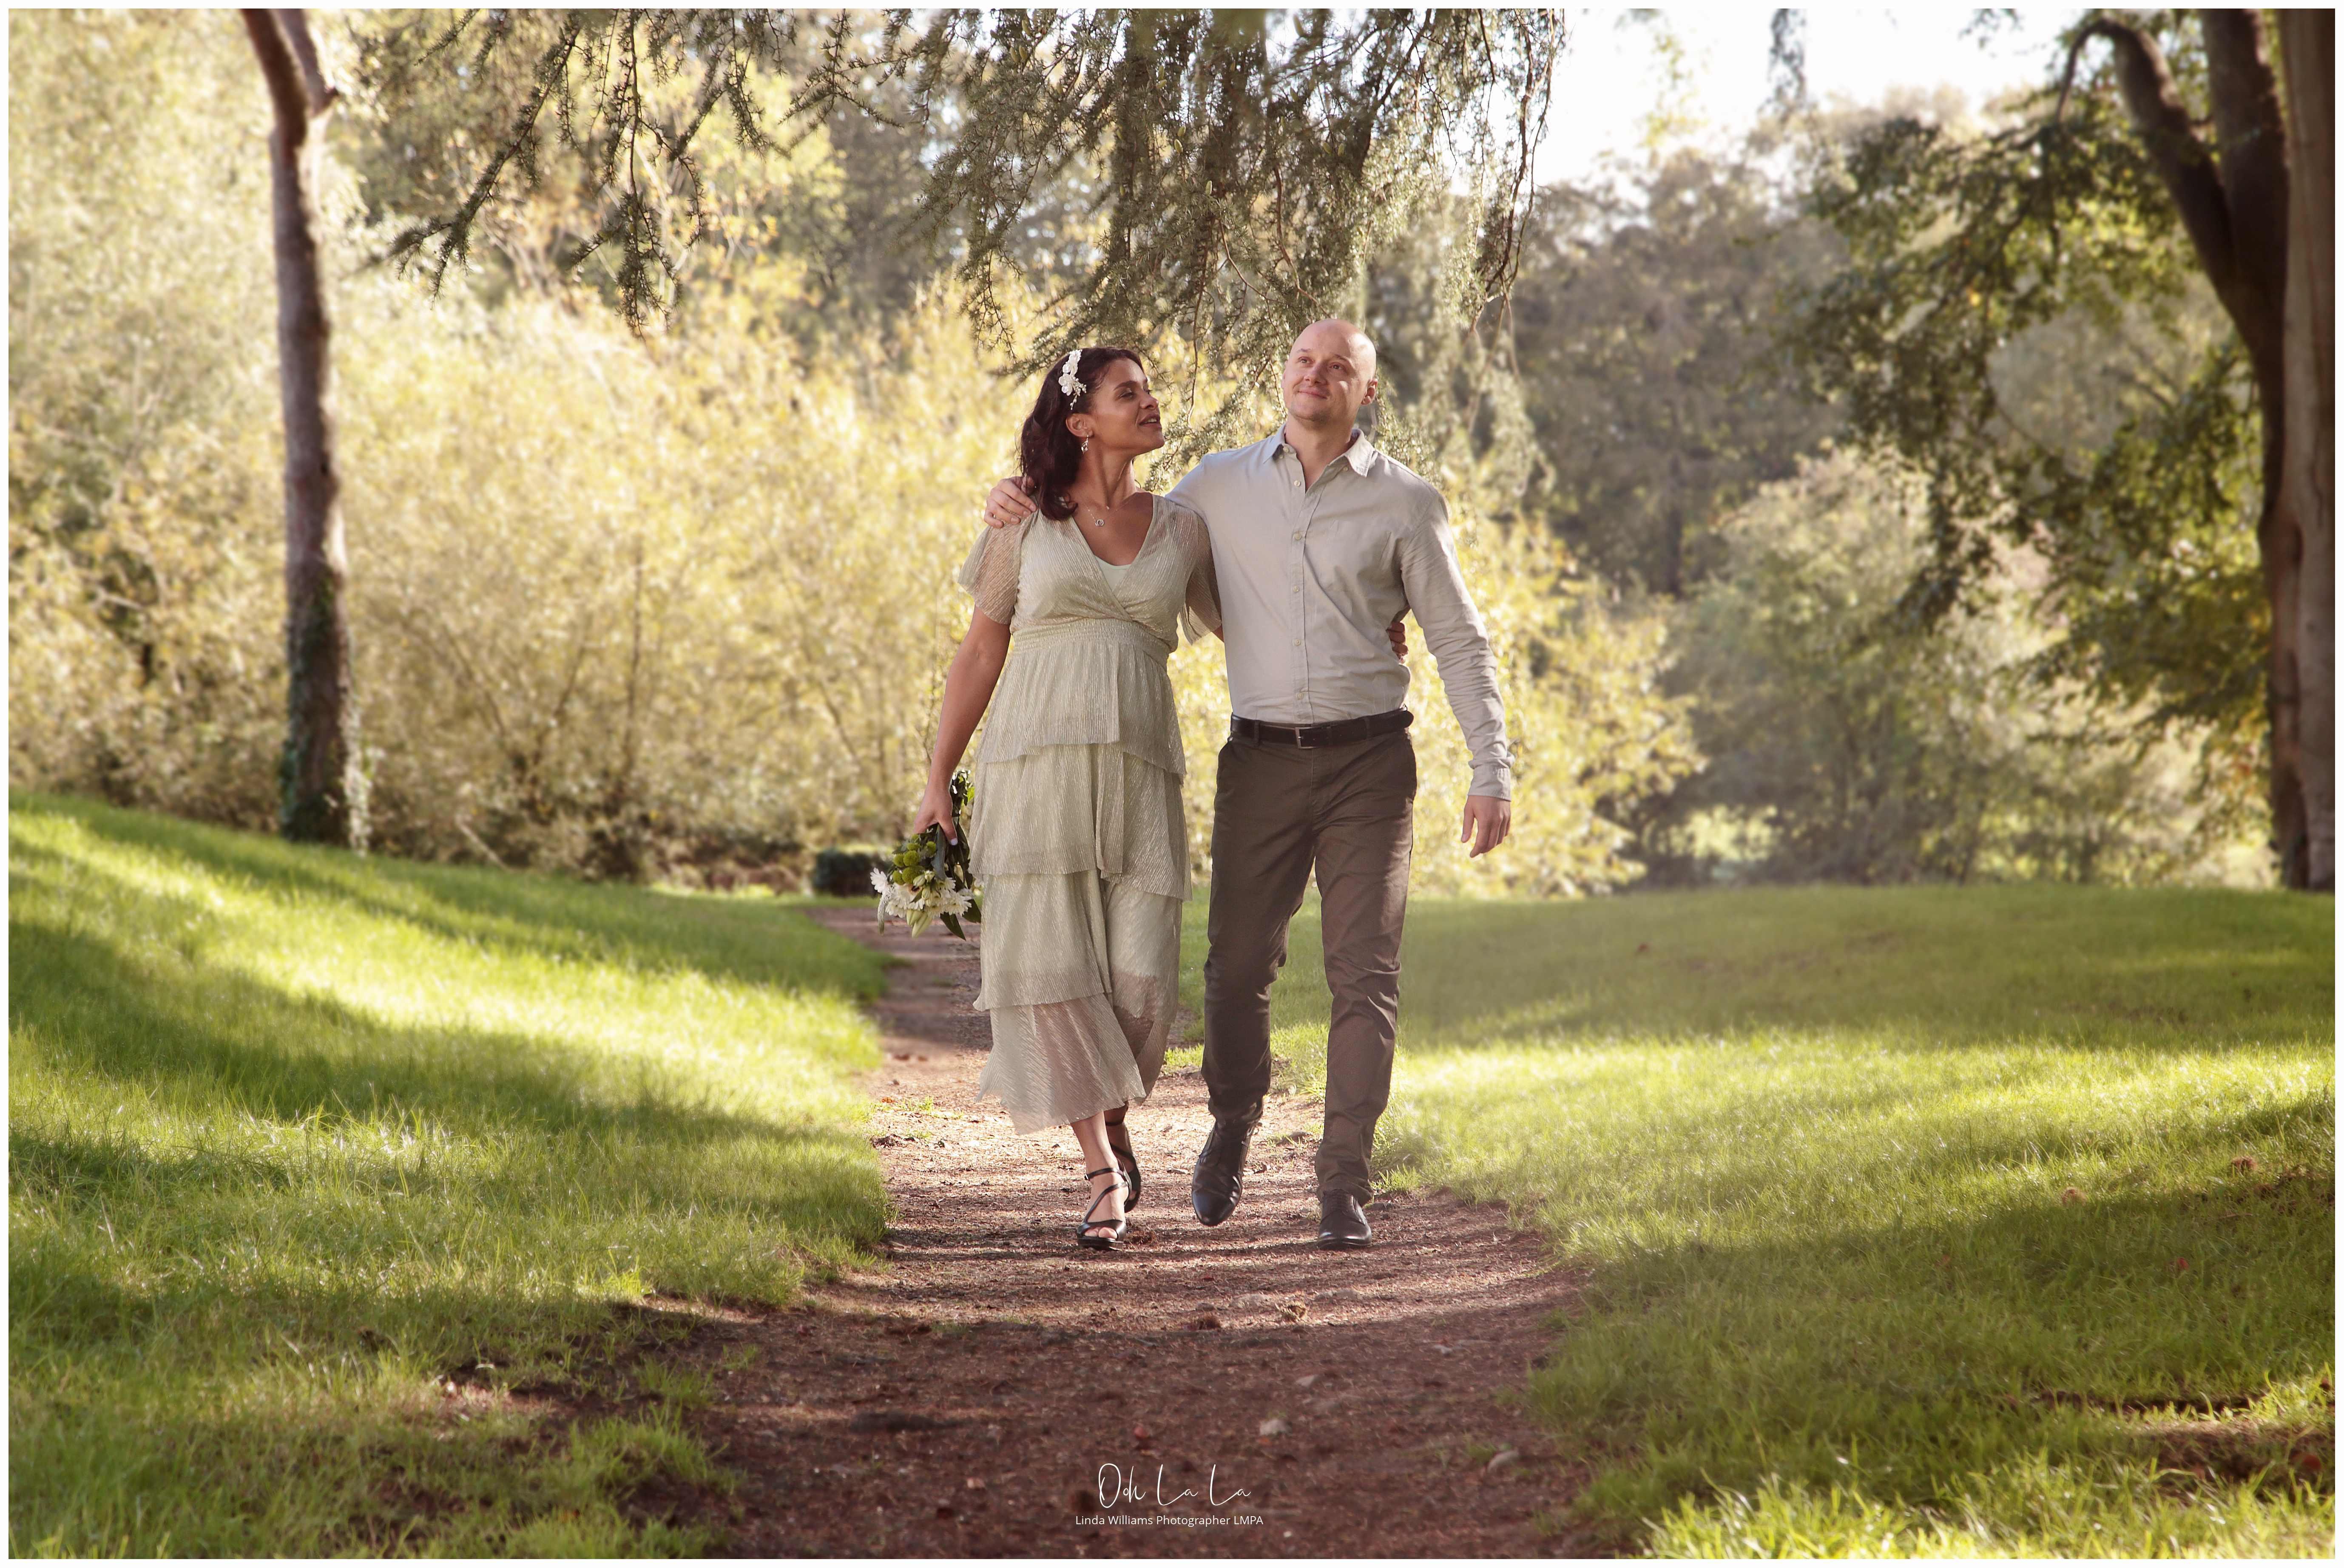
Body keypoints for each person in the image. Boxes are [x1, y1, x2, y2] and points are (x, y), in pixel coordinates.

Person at [981, 318, 1513, 1250]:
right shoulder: (1212, 491)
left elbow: (1459, 639)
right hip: (1261, 759)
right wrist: (1020, 492)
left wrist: (1491, 765)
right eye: (1304, 360)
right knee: (1233, 972)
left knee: (1366, 975)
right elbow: (1115, 528)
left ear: (1367, 392)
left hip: (1371, 763)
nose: (1318, 375)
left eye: (1339, 365)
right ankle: (1232, 1118)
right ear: (1283, 376)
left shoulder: (1409, 504)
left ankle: (1343, 1182)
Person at [909, 346, 1222, 1250]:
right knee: (1048, 967)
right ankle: (1098, 1170)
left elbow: (1259, 625)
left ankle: (1110, 1112)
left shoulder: (1184, 528)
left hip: (1139, 773)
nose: (1152, 401)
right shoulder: (1022, 524)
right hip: (1033, 768)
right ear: (1082, 421)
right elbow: (979, 653)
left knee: (1142, 984)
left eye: (1150, 389)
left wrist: (1372, 623)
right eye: (1132, 392)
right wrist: (938, 780)